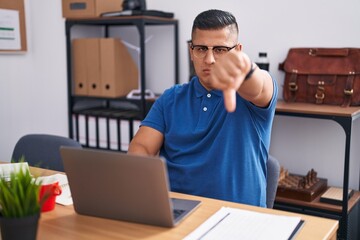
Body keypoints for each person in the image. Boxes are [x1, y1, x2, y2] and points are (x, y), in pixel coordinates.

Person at [128, 9, 278, 207]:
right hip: (177, 214)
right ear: (191, 52)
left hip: (239, 219)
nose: (210, 59)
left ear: (238, 51)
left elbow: (259, 87)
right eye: (201, 49)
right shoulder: (171, 98)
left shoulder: (249, 97)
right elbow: (142, 147)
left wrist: (245, 69)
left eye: (220, 50)